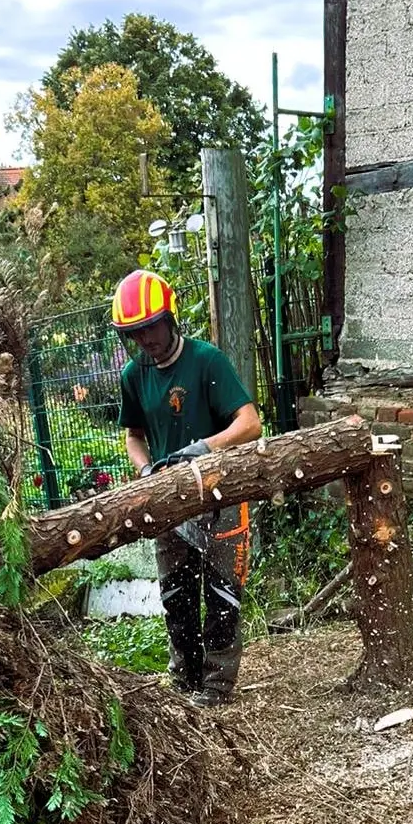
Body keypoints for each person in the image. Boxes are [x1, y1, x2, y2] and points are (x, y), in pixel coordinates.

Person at [112, 268, 262, 706]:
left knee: (221, 593)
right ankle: (185, 680)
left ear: (169, 318)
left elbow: (250, 423)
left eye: (151, 327)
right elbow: (134, 436)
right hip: (167, 498)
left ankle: (217, 687)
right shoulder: (133, 375)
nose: (146, 339)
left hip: (221, 493)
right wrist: (145, 470)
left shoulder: (206, 360)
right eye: (136, 332)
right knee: (176, 595)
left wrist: (204, 447)